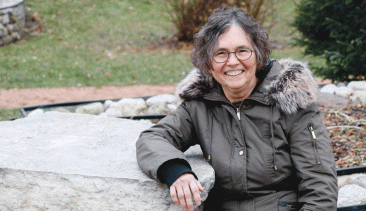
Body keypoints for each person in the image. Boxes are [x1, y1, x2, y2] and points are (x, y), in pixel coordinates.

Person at [136, 6, 338, 211]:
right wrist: (176, 171)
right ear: (207, 63)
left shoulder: (292, 102)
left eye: (242, 51)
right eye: (220, 53)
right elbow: (152, 139)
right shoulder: (199, 104)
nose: (233, 62)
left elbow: (320, 187)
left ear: (258, 55)